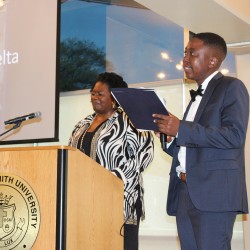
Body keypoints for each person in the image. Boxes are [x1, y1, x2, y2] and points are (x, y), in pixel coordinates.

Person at [153, 32, 249, 250]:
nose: (185, 59)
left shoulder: (231, 87)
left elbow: (234, 136)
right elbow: (195, 144)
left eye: (192, 53)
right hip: (186, 192)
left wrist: (181, 128)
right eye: (185, 53)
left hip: (213, 194)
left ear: (213, 60)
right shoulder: (197, 97)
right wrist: (171, 138)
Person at [69, 72, 154, 250]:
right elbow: (71, 155)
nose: (94, 97)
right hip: (84, 202)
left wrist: (109, 180)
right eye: (93, 93)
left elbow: (144, 156)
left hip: (119, 203)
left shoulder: (131, 120)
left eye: (100, 94)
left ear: (115, 96)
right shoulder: (82, 124)